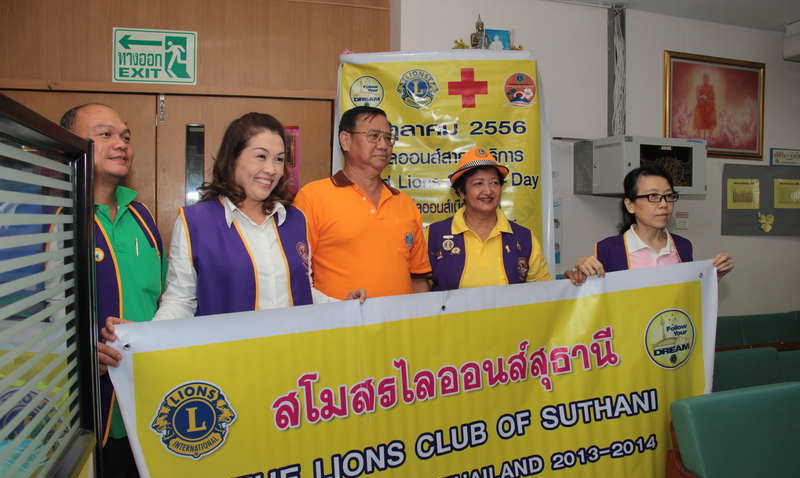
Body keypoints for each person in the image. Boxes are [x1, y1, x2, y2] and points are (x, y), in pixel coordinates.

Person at [133, 112, 364, 321]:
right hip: (227, 352)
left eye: (279, 159)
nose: (271, 169)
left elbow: (301, 291)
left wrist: (342, 305)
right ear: (233, 158)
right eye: (261, 156)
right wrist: (147, 340)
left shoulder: (295, 219)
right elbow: (180, 301)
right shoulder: (194, 223)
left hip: (290, 350)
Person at [56, 103, 165, 478]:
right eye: (105, 134)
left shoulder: (142, 216)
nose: (121, 144)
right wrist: (81, 351)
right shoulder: (55, 217)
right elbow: (32, 321)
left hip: (147, 411)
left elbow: (163, 300)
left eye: (126, 136)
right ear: (72, 143)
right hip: (86, 416)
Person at [293, 106, 431, 298]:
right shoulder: (312, 197)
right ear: (345, 140)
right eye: (373, 136)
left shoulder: (405, 204)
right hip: (338, 317)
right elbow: (296, 275)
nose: (383, 145)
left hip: (401, 318)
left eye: (388, 138)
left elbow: (418, 279)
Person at [566, 165, 733, 285]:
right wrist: (575, 277)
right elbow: (590, 299)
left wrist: (716, 274)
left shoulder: (683, 247)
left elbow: (690, 297)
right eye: (653, 196)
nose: (664, 204)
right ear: (630, 205)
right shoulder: (608, 249)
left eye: (669, 196)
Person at [426, 147, 552, 290]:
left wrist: (569, 284)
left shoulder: (524, 238)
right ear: (461, 192)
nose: (488, 191)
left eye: (494, 182)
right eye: (478, 183)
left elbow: (545, 290)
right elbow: (417, 287)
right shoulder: (433, 235)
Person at [693, 71, 717, 140]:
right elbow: (697, 98)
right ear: (703, 78)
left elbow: (713, 99)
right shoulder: (699, 86)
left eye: (707, 78)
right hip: (700, 105)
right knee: (697, 112)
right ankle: (698, 135)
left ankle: (711, 135)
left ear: (709, 79)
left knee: (713, 113)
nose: (706, 79)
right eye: (705, 77)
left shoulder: (711, 87)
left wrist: (707, 101)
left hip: (709, 106)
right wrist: (702, 96)